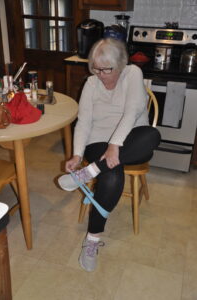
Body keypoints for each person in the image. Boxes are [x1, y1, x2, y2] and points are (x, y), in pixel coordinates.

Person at [58, 38, 161, 272]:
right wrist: (76, 154)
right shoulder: (91, 83)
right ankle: (92, 240)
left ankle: (90, 171)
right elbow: (83, 122)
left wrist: (115, 144)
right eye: (96, 68)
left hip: (131, 140)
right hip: (99, 141)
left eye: (107, 69)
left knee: (152, 136)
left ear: (121, 64)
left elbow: (134, 110)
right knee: (112, 177)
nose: (101, 74)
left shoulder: (132, 73)